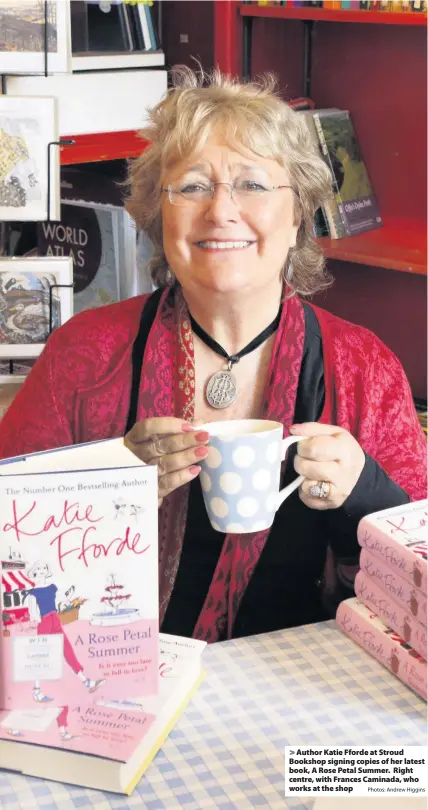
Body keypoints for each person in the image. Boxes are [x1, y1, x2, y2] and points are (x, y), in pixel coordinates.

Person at [0, 68, 425, 644]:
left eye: (252, 184)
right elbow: (9, 550)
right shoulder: (85, 353)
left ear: (297, 211)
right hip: (117, 677)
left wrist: (367, 493)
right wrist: (108, 494)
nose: (221, 211)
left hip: (309, 685)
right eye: (193, 186)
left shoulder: (363, 367)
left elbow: (419, 576)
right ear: (160, 214)